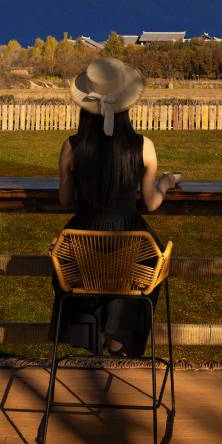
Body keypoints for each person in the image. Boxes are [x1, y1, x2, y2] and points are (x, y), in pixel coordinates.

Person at [50, 56, 181, 357]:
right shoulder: (142, 146)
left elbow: (64, 199)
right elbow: (150, 203)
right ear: (126, 105)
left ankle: (92, 333)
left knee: (80, 276)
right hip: (129, 237)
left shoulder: (72, 146)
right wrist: (166, 183)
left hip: (82, 241)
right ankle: (119, 335)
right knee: (145, 271)